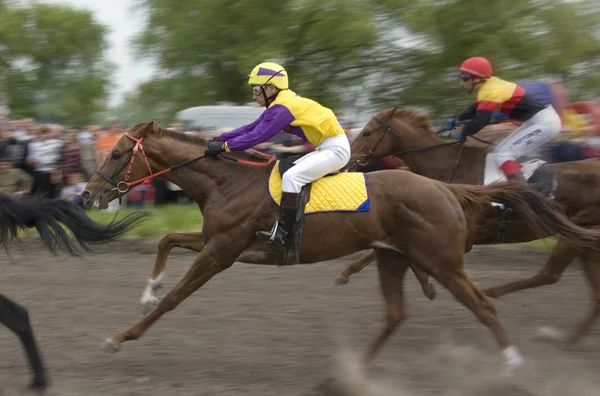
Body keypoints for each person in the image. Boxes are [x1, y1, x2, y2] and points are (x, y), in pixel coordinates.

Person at [204, 62, 350, 264]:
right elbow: (251, 127)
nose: (254, 95)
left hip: (335, 149)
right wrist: (220, 138)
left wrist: (225, 147)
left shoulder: (284, 106)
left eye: (257, 89)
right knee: (283, 172)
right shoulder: (280, 103)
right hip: (326, 147)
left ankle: (285, 234)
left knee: (292, 177)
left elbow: (258, 135)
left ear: (271, 88)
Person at [446, 57, 562, 182]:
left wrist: (465, 132)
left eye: (465, 78)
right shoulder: (490, 84)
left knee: (503, 154)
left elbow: (481, 120)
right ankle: (518, 181)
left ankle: (524, 192)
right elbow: (475, 108)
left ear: (477, 79)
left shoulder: (489, 91)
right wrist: (458, 119)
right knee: (499, 152)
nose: (461, 83)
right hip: (538, 121)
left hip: (544, 123)